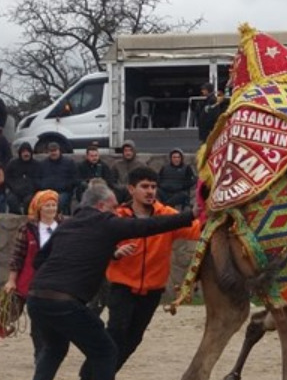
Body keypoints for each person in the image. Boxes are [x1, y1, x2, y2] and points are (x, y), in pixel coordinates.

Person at [26, 183, 197, 380]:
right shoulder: (105, 222)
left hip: (36, 298)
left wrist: (105, 255)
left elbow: (39, 260)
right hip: (65, 302)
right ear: (100, 206)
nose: (116, 211)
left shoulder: (68, 224)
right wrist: (190, 215)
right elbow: (147, 226)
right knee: (106, 351)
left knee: (54, 349)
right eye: (113, 207)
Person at [79, 167, 202, 380]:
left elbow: (197, 229)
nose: (150, 191)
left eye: (153, 186)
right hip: (122, 287)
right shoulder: (118, 216)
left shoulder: (167, 215)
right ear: (131, 189)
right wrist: (114, 254)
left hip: (153, 290)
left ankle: (94, 375)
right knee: (116, 334)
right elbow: (95, 244)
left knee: (133, 340)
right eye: (144, 186)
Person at [3, 191, 61, 361]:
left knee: (54, 320)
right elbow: (17, 256)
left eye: (53, 205)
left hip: (57, 281)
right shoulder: (27, 229)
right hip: (32, 280)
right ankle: (40, 353)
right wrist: (12, 280)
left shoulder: (64, 226)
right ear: (39, 208)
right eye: (47, 205)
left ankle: (51, 351)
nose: (51, 208)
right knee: (37, 320)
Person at [37, 142, 77, 215]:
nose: (53, 153)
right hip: (47, 192)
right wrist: (43, 186)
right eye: (51, 151)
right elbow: (38, 178)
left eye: (55, 150)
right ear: (48, 152)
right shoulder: (43, 164)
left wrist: (66, 186)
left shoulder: (69, 163)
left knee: (58, 202)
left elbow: (74, 178)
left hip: (63, 192)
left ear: (59, 150)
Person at [5, 142, 40, 214]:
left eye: (28, 152)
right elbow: (7, 177)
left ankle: (26, 218)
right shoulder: (13, 163)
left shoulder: (37, 165)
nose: (26, 154)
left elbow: (39, 179)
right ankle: (17, 218)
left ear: (31, 153)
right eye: (23, 152)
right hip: (15, 191)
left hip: (30, 191)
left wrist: (32, 188)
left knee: (29, 201)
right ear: (20, 153)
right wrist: (14, 187)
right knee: (11, 200)